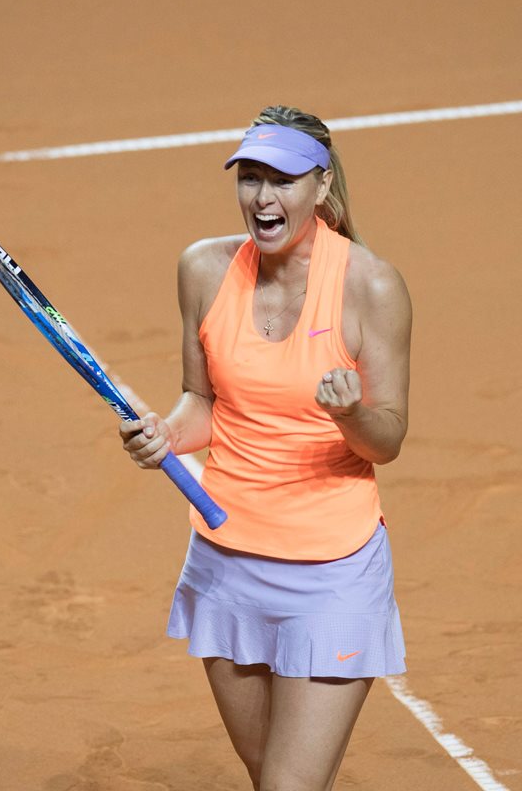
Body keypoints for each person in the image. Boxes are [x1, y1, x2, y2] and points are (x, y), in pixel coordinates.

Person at [119, 105, 412, 791]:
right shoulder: (204, 268)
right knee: (266, 777)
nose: (262, 197)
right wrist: (165, 435)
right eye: (250, 178)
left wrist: (351, 414)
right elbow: (202, 403)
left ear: (322, 185)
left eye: (282, 179)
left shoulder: (371, 286)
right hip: (226, 563)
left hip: (330, 571)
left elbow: (389, 438)